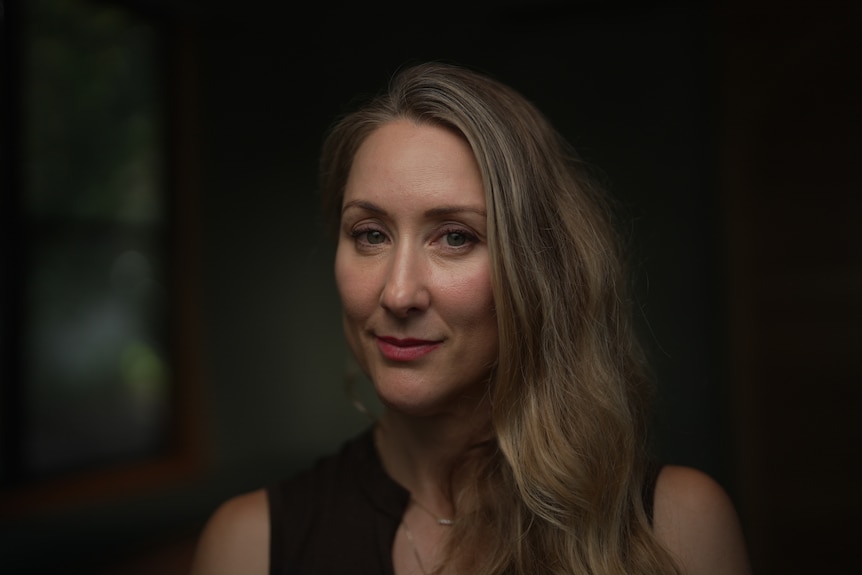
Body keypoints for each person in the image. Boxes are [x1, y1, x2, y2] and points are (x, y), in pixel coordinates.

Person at [190, 61, 751, 575]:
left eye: (456, 237)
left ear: (540, 267)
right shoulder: (249, 547)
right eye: (370, 234)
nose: (399, 292)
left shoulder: (675, 527)